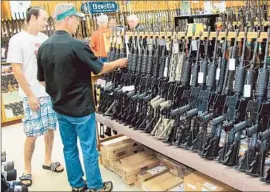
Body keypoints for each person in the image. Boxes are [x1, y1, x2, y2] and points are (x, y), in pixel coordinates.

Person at [36, 3, 128, 192]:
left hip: (60, 108)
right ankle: (95, 186)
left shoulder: (44, 46)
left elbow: (42, 80)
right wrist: (119, 62)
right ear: (68, 19)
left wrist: (58, 93)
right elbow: (100, 68)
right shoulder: (77, 45)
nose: (78, 23)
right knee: (89, 149)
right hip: (81, 109)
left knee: (69, 148)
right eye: (76, 19)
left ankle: (77, 185)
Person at [6, 6, 64, 187]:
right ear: (32, 17)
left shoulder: (44, 39)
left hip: (47, 94)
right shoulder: (17, 40)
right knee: (31, 134)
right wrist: (30, 95)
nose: (46, 22)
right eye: (44, 19)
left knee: (49, 129)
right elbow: (16, 70)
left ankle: (47, 160)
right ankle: (27, 169)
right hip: (31, 95)